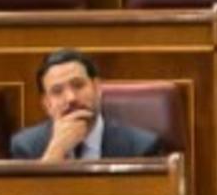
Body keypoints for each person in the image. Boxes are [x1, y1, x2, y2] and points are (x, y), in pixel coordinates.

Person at [9, 48, 165, 163]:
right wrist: (55, 152)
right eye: (57, 91)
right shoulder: (26, 147)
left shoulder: (140, 148)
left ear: (97, 88)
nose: (71, 98)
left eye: (78, 85)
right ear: (47, 104)